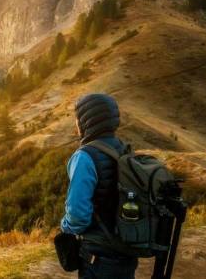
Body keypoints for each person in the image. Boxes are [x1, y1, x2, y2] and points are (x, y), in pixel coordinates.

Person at [61, 93, 138, 279]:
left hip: (99, 256)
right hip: (126, 250)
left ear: (87, 121)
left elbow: (78, 215)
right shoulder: (124, 149)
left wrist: (64, 226)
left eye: (77, 119)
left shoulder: (84, 157)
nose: (76, 124)